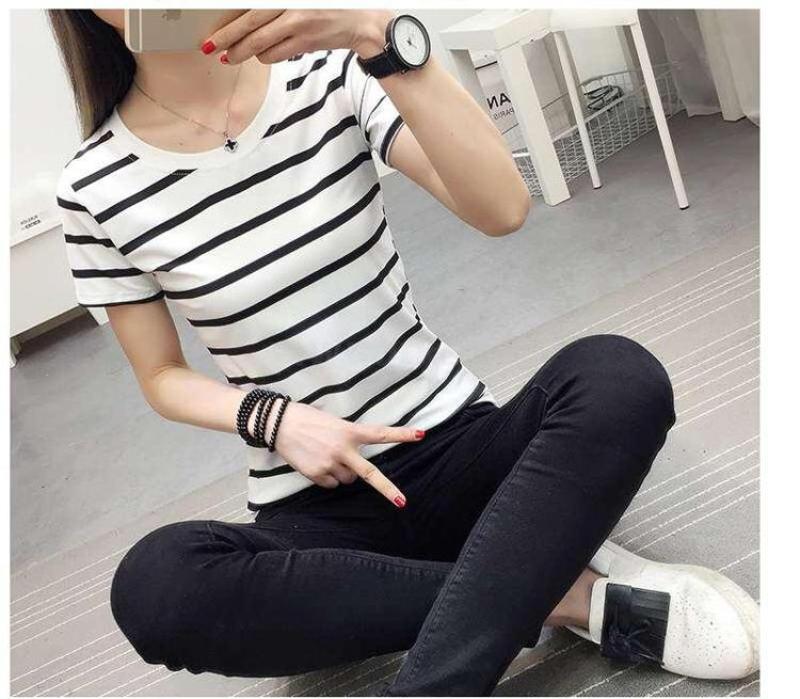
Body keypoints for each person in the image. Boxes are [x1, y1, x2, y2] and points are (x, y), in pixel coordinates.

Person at [50, 8, 759, 696]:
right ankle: (562, 592)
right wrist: (275, 418)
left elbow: (501, 207)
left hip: (460, 448)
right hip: (319, 506)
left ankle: (451, 654)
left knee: (617, 375)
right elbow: (161, 376)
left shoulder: (328, 75)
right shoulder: (93, 186)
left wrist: (378, 34)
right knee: (157, 586)